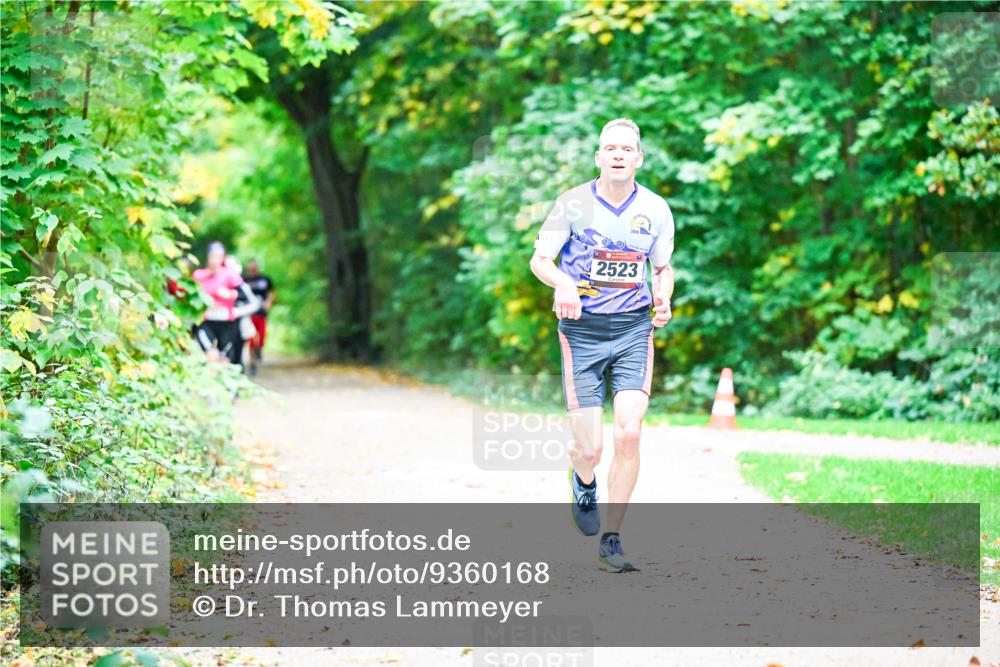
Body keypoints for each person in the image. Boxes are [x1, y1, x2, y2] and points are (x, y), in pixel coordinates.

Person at [529, 118, 675, 573]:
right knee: (588, 448)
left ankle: (612, 538)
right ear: (598, 157)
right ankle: (584, 480)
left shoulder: (655, 208)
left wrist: (664, 295)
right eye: (609, 147)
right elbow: (540, 261)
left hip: (633, 329)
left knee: (628, 432)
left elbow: (662, 266)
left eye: (625, 149)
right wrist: (564, 285)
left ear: (638, 158)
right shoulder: (572, 204)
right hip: (582, 330)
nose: (617, 154)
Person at [192, 242, 260, 367]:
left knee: (224, 360)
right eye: (212, 256)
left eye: (218, 257)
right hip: (206, 321)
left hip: (227, 323)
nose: (214, 260)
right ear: (208, 257)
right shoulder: (198, 275)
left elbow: (248, 298)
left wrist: (230, 295)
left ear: (222, 258)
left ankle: (225, 385)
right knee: (211, 355)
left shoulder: (230, 275)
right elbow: (190, 299)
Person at [243, 259, 275, 376]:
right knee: (251, 339)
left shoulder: (265, 279)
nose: (252, 270)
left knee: (261, 338)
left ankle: (259, 350)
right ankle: (252, 363)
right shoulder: (244, 280)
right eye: (250, 268)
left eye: (254, 268)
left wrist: (268, 303)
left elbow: (272, 292)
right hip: (249, 314)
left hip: (261, 313)